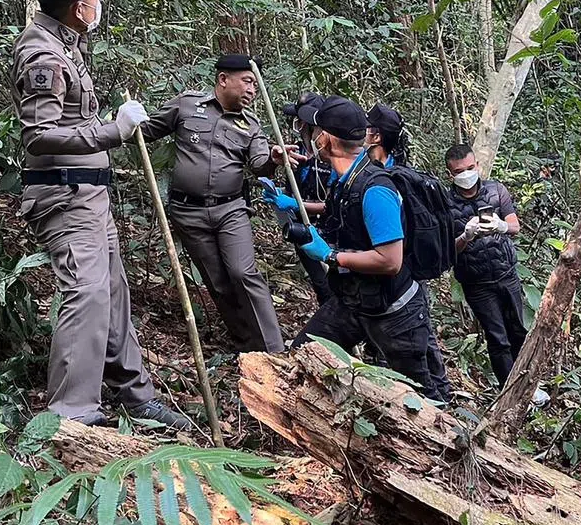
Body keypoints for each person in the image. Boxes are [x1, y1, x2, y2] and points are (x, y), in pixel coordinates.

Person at [12, 0, 189, 429]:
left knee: (111, 293)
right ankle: (71, 415)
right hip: (66, 197)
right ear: (77, 6)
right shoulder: (42, 55)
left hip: (90, 195)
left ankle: (134, 395)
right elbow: (40, 136)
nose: (98, 3)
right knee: (86, 296)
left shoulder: (66, 42)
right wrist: (112, 130)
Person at [291, 96, 450, 402]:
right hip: (354, 301)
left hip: (395, 312)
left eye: (315, 130)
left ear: (327, 139)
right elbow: (345, 215)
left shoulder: (375, 189)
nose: (312, 137)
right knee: (302, 355)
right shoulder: (346, 179)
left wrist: (331, 256)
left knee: (423, 400)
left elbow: (390, 260)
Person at [141, 54, 296, 352]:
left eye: (256, 85)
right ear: (224, 80)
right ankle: (245, 345)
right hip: (188, 212)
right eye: (248, 82)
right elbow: (147, 130)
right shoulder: (187, 105)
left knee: (242, 272)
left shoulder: (251, 124)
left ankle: (275, 350)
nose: (253, 90)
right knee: (217, 281)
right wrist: (119, 123)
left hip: (231, 210)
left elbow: (260, 164)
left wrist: (275, 159)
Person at [445, 144, 527, 386]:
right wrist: (466, 236)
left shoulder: (496, 190)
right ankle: (507, 390)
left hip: (506, 273)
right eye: (460, 171)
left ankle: (527, 386)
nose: (467, 174)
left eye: (471, 168)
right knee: (497, 338)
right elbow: (447, 252)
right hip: (476, 283)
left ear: (477, 165)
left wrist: (501, 226)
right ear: (451, 174)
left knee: (518, 332)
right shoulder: (446, 204)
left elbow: (514, 226)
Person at [263, 91, 334, 304]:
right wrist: (279, 196)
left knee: (333, 284)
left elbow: (333, 205)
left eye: (301, 122)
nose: (298, 126)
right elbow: (290, 185)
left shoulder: (332, 155)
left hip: (328, 233)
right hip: (301, 228)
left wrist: (297, 204)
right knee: (320, 284)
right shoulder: (296, 151)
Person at [365, 103, 409, 168]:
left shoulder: (391, 175)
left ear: (376, 137)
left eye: (365, 128)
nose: (360, 131)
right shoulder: (361, 160)